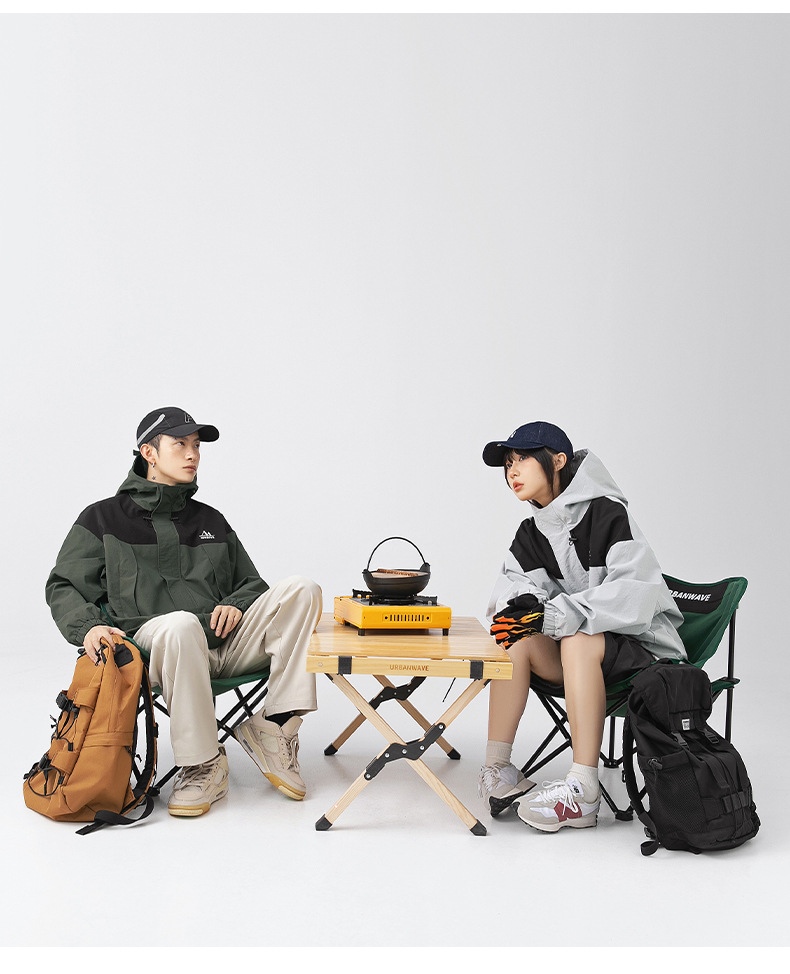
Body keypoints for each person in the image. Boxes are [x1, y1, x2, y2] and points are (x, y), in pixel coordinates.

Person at [46, 406, 322, 818]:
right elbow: (63, 585)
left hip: (223, 645)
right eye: (180, 444)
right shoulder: (101, 518)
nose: (193, 454)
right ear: (149, 452)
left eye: (196, 445)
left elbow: (253, 584)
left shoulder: (211, 520)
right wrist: (89, 627)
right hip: (154, 652)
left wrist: (236, 604)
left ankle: (274, 727)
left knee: (303, 589)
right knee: (180, 624)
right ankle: (202, 765)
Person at [477, 421, 685, 832]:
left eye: (523, 459)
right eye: (508, 463)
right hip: (584, 659)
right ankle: (498, 769)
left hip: (642, 653)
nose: (512, 471)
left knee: (577, 638)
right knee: (515, 637)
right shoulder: (531, 531)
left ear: (558, 461)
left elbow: (634, 594)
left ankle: (584, 792)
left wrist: (559, 614)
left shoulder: (608, 514)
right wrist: (526, 605)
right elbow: (510, 587)